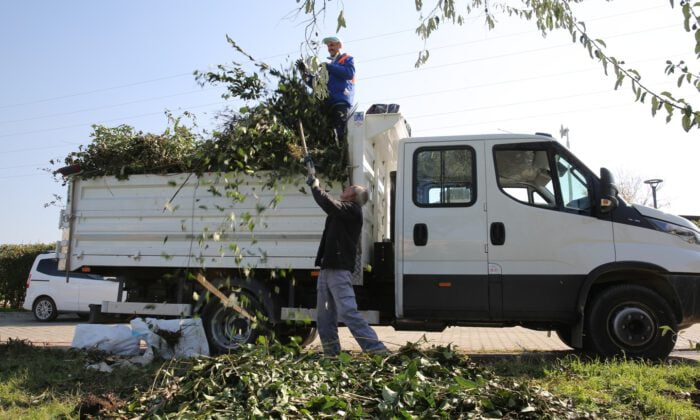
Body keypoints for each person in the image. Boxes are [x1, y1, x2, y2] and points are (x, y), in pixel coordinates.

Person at [306, 175, 387, 356]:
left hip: (339, 271)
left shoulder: (353, 210)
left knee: (348, 312)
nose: (346, 188)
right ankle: (331, 355)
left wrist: (316, 187)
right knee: (324, 318)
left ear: (353, 196)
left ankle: (378, 351)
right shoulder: (343, 211)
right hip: (327, 269)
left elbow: (330, 204)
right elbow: (332, 205)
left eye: (350, 188)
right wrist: (317, 186)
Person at [297, 36, 355, 143]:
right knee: (330, 135)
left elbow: (349, 73)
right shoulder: (329, 66)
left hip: (341, 101)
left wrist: (329, 67)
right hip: (329, 104)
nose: (329, 48)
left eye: (332, 45)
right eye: (328, 46)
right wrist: (305, 73)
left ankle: (344, 154)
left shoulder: (346, 59)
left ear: (339, 45)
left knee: (342, 133)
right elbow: (318, 85)